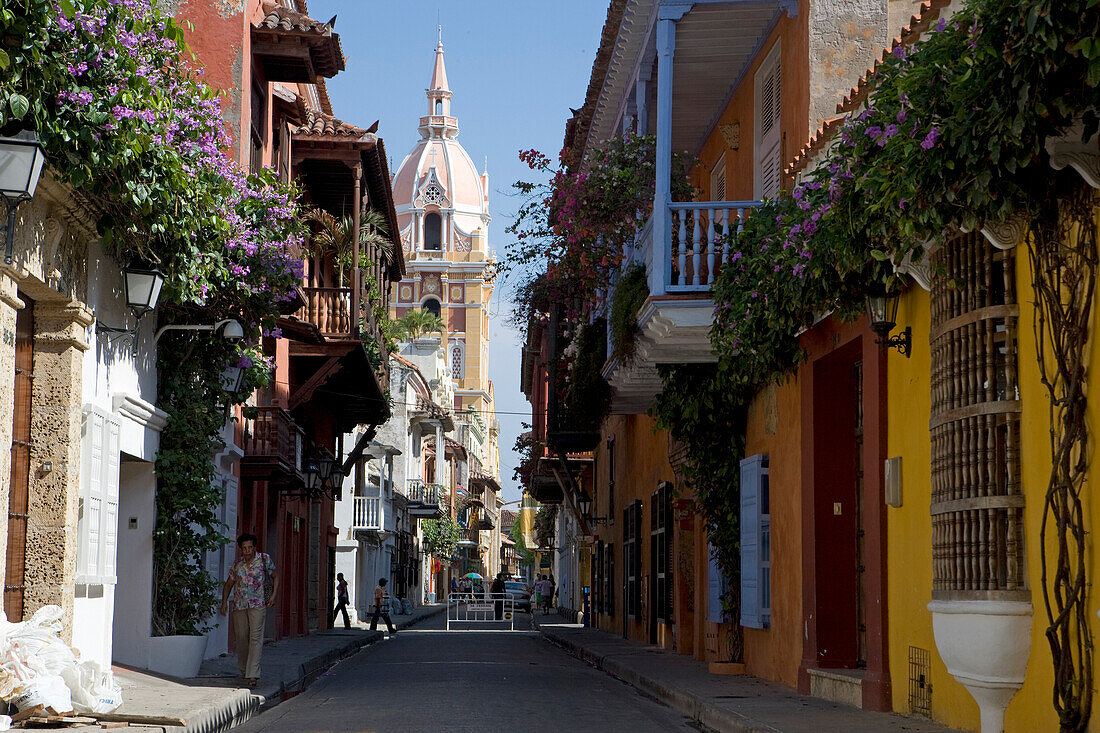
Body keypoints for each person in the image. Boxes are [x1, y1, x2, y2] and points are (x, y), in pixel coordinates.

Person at [218, 533, 278, 688]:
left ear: (254, 547)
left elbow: (275, 577)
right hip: (239, 605)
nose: (247, 551)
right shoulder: (237, 565)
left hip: (258, 605)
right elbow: (229, 584)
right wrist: (224, 602)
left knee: (255, 638)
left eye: (250, 547)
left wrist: (273, 595)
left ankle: (253, 675)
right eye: (244, 548)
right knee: (242, 638)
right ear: (240, 549)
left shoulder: (264, 560)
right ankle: (245, 669)